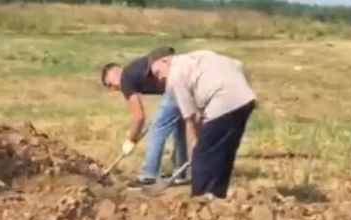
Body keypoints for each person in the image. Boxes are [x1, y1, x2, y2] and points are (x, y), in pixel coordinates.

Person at [147, 49, 256, 199]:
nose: (160, 78)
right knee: (224, 153)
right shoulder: (199, 56)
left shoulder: (175, 76)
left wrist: (194, 152)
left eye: (158, 72)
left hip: (222, 101)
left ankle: (200, 199)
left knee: (202, 155)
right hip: (245, 100)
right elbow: (238, 64)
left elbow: (190, 119)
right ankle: (217, 195)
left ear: (165, 61)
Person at [100, 47, 188, 189]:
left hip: (176, 83)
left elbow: (139, 117)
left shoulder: (126, 78)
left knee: (157, 128)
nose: (114, 89)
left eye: (111, 84)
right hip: (185, 80)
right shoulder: (134, 71)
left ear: (115, 73)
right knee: (179, 127)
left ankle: (148, 175)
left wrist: (130, 140)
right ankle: (181, 173)